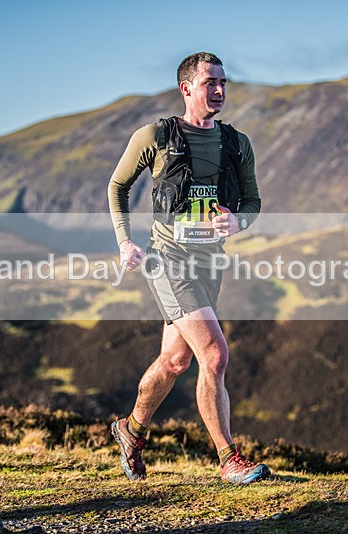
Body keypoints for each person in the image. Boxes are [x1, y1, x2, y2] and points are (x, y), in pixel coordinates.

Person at [107, 52, 268, 484]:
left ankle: (130, 430)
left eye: (223, 82)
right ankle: (229, 459)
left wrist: (238, 221)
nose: (219, 90)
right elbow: (118, 185)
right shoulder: (155, 136)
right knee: (214, 354)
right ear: (186, 89)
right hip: (167, 261)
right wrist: (125, 240)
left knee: (175, 360)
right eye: (210, 82)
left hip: (210, 262)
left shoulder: (236, 143)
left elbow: (252, 202)